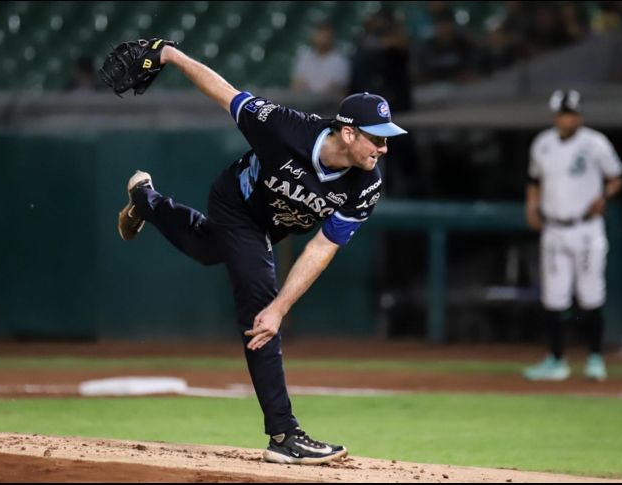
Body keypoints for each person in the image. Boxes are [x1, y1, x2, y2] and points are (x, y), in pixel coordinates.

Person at [117, 43, 407, 464]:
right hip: (236, 201)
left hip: (269, 225)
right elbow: (225, 93)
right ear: (348, 133)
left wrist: (283, 306)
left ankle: (146, 201)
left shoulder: (366, 183)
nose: (383, 150)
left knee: (205, 249)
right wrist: (170, 56)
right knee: (259, 309)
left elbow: (323, 247)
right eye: (377, 140)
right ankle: (284, 434)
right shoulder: (285, 128)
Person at [523, 89, 622, 382]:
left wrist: (604, 195)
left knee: (591, 295)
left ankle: (595, 358)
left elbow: (616, 177)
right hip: (554, 227)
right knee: (554, 298)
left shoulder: (595, 143)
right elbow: (533, 180)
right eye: (566, 114)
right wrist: (531, 206)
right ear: (556, 116)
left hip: (586, 228)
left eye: (575, 113)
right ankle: (556, 360)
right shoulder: (543, 144)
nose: (571, 119)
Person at [290, 22, 350, 98]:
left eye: (326, 35)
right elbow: (295, 84)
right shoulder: (304, 56)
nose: (323, 38)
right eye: (320, 33)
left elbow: (337, 90)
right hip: (303, 102)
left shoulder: (340, 61)